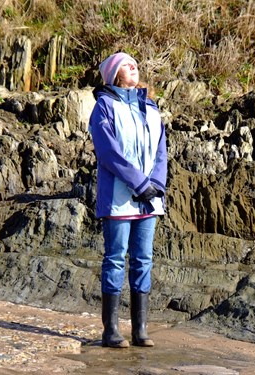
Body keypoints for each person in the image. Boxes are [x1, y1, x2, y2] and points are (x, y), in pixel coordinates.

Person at [88, 52, 167, 348]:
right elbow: (108, 153)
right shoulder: (104, 107)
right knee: (115, 259)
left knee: (144, 260)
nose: (133, 66)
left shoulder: (150, 106)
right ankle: (111, 330)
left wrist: (155, 185)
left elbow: (161, 150)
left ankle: (140, 329)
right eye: (125, 64)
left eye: (134, 62)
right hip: (118, 199)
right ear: (113, 74)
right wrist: (139, 183)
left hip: (150, 199)